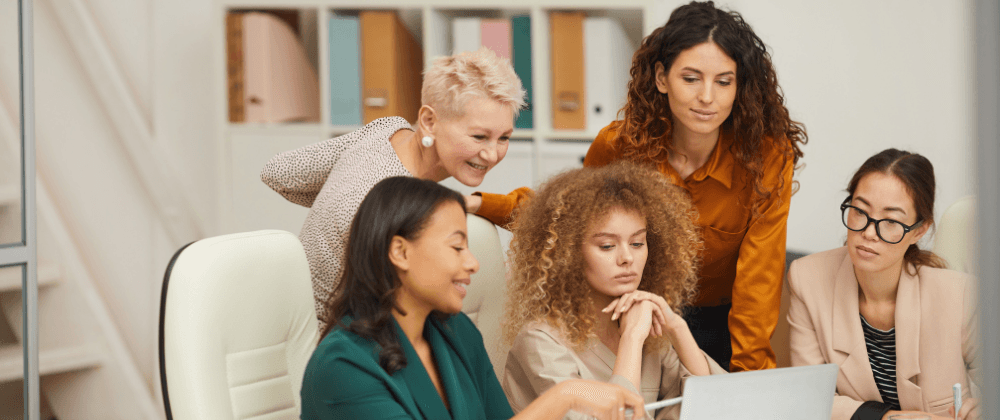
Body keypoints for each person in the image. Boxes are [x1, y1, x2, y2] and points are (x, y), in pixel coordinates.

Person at [470, 1, 807, 372]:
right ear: (662, 78)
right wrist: (478, 202)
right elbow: (566, 211)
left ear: (739, 85)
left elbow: (759, 281)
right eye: (691, 78)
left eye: (724, 81)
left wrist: (747, 385)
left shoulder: (768, 157)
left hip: (722, 324)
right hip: (630, 313)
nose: (707, 97)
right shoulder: (619, 145)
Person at [300, 176, 646, 420]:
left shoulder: (457, 333)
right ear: (399, 252)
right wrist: (567, 395)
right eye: (456, 247)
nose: (472, 262)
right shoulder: (343, 365)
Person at [261, 48, 525, 329]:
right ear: (429, 122)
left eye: (504, 138)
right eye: (479, 136)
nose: (492, 154)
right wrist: (350, 210)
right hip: (340, 343)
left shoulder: (386, 130)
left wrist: (337, 204)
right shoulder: (397, 207)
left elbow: (279, 172)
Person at [501, 162, 727, 420]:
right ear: (569, 254)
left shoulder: (649, 331)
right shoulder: (540, 342)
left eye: (637, 243)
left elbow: (719, 405)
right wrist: (631, 339)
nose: (627, 257)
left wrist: (676, 327)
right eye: (607, 246)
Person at [787, 149, 980, 420]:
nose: (868, 233)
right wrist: (886, 418)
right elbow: (808, 396)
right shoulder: (808, 278)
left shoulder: (959, 294)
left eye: (890, 221)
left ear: (919, 231)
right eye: (859, 211)